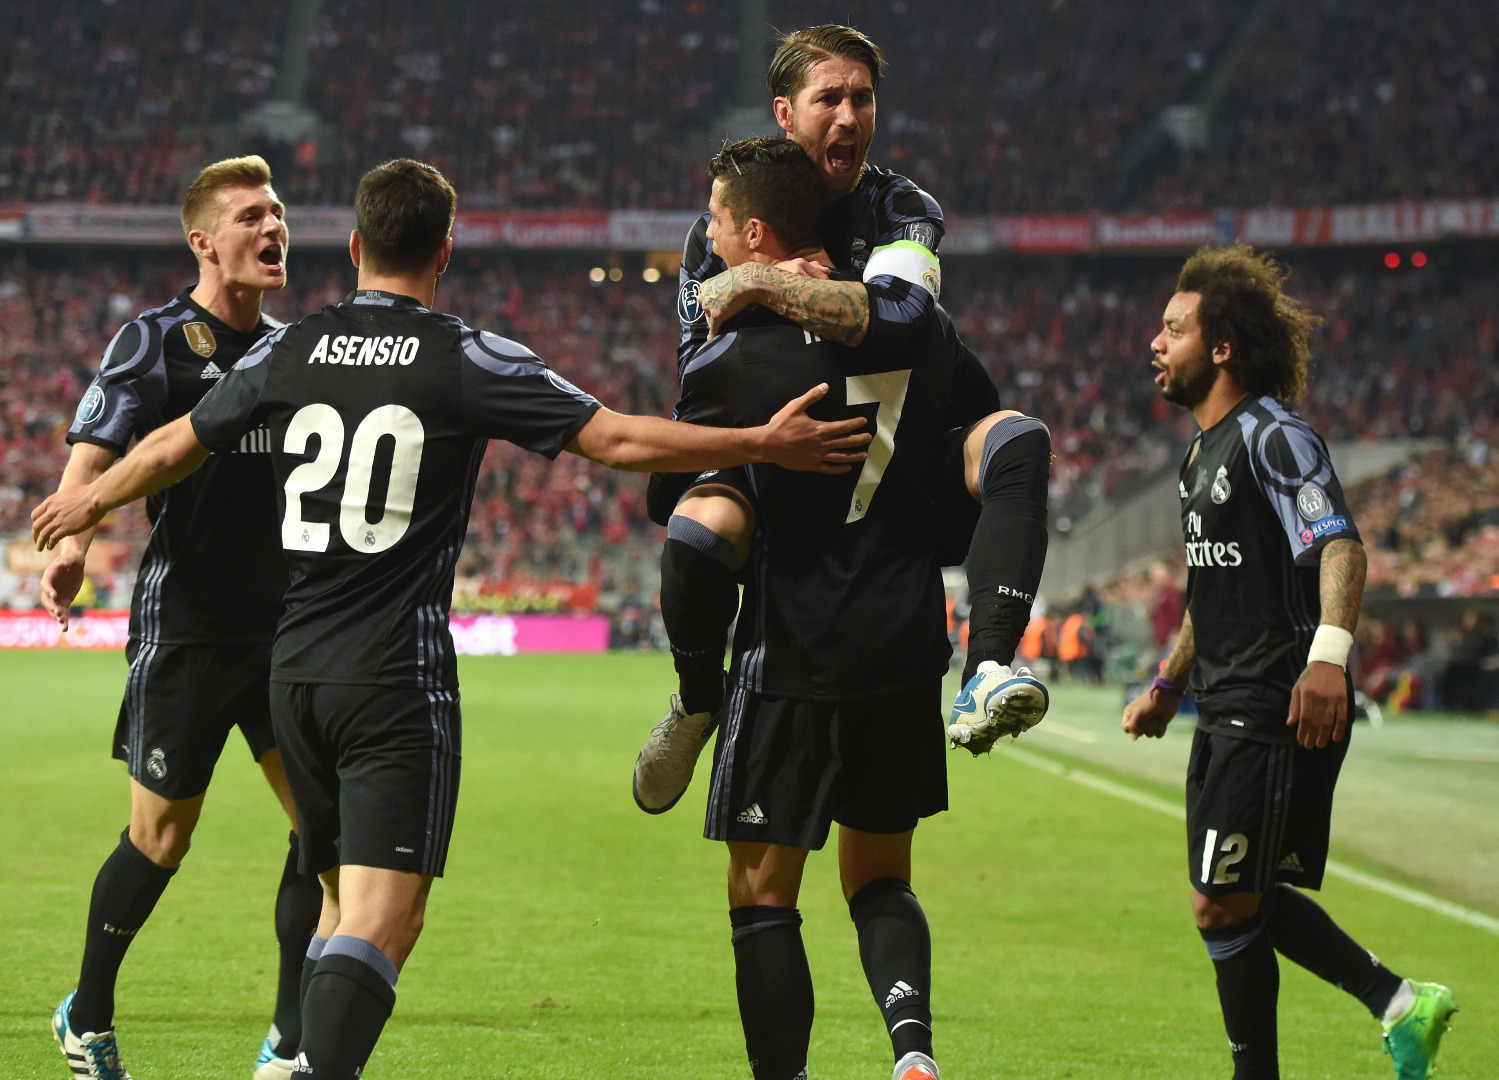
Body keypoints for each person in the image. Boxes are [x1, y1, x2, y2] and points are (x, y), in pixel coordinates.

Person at [32, 157, 871, 1080]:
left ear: (355, 245)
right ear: (443, 251)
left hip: (292, 671)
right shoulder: (466, 355)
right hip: (389, 678)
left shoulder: (288, 347)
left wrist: (87, 503)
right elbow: (616, 438)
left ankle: (288, 1048)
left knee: (335, 889)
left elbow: (176, 441)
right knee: (382, 919)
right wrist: (760, 443)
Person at [634, 23, 1052, 813]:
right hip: (774, 440)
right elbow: (703, 370)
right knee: (694, 524)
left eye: (863, 98)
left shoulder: (900, 207)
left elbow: (901, 321)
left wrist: (766, 284)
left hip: (898, 444)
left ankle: (988, 667)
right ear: (784, 113)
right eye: (829, 98)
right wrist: (780, 288)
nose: (849, 117)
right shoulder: (723, 218)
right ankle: (696, 698)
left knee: (1018, 439)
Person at [667, 135, 1010, 1080]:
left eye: (716, 221)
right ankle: (913, 1053)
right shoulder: (925, 335)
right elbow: (981, 426)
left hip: (794, 646)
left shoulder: (733, 357)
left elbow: (680, 499)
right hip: (904, 635)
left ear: (755, 234)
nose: (706, 237)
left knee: (761, 890)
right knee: (882, 875)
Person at [1121, 244, 1457, 1079]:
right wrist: (1167, 682)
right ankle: (1398, 1003)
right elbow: (1209, 591)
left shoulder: (1273, 437)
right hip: (1220, 705)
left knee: (1218, 902)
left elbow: (1340, 547)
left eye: (1173, 329)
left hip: (1275, 704)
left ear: (1221, 347)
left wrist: (1327, 661)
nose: (1154, 343)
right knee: (1237, 899)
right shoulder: (1198, 455)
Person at [40, 154, 321, 1080]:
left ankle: (289, 1041)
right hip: (188, 629)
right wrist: (74, 541)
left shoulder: (294, 348)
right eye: (251, 216)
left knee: (321, 831)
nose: (272, 227)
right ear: (203, 241)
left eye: (276, 213)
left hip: (283, 629)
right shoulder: (155, 340)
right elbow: (98, 444)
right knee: (162, 840)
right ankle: (86, 1015)